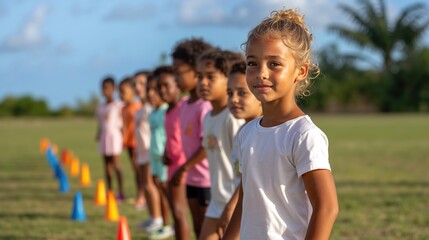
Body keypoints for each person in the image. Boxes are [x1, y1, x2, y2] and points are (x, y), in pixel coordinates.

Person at [222, 9, 339, 240]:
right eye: (252, 63)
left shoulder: (303, 134)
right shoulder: (247, 133)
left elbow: (327, 207)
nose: (261, 73)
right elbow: (248, 197)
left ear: (300, 71)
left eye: (274, 64)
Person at [197, 50, 245, 240]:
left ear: (227, 79)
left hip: (234, 202)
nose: (203, 82)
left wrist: (233, 204)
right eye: (200, 76)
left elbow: (246, 171)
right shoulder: (208, 116)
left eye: (210, 77)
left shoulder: (233, 118)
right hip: (217, 201)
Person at [171, 38, 215, 238]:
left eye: (179, 72)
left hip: (207, 180)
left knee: (211, 231)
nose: (175, 78)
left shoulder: (205, 107)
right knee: (198, 229)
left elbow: (207, 146)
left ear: (196, 71)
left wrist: (184, 167)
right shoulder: (184, 105)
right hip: (192, 180)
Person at [214, 60, 263, 239]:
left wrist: (231, 206)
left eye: (242, 93)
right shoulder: (243, 131)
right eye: (230, 93)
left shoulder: (261, 133)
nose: (233, 99)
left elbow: (248, 179)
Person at [158, 65, 191, 240]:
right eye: (159, 88)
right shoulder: (168, 111)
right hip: (171, 165)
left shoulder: (182, 107)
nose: (162, 91)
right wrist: (165, 151)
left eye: (166, 86)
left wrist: (184, 165)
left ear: (177, 86)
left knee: (179, 212)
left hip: (182, 166)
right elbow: (171, 137)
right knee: (175, 212)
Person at [143, 70, 174, 239]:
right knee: (159, 189)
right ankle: (163, 223)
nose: (151, 94)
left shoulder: (164, 111)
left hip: (164, 158)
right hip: (154, 156)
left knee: (165, 192)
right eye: (149, 90)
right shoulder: (153, 112)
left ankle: (169, 225)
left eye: (154, 90)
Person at [96, 77, 125, 200]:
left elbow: (122, 123)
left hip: (115, 136)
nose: (105, 91)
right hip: (104, 136)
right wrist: (98, 134)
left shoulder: (119, 105)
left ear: (113, 89)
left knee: (116, 164)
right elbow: (100, 123)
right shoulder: (101, 107)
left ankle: (121, 191)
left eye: (107, 88)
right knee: (107, 165)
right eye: (103, 89)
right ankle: (110, 191)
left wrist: (124, 137)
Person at [119, 77, 145, 207]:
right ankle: (139, 194)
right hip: (128, 143)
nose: (120, 95)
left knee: (140, 170)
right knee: (135, 170)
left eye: (123, 91)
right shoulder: (124, 108)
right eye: (119, 92)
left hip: (137, 143)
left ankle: (142, 195)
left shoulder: (137, 107)